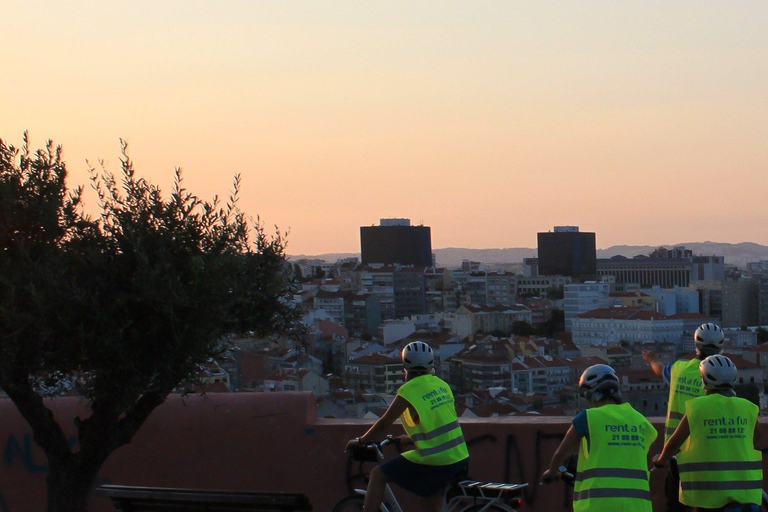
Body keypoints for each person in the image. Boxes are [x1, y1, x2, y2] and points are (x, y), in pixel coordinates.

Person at [345, 341, 469, 512]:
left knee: (377, 475)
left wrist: (360, 440)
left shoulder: (408, 390)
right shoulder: (442, 385)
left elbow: (384, 423)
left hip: (436, 460)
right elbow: (439, 423)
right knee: (428, 505)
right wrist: (411, 438)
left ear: (405, 365)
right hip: (459, 457)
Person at [652, 355, 762, 512]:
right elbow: (755, 436)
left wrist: (661, 460)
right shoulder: (748, 407)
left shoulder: (697, 407)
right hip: (745, 492)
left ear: (704, 381)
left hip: (708, 496)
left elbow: (675, 442)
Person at [542, 364, 658, 512]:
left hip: (598, 505)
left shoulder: (588, 418)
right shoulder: (641, 421)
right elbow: (645, 460)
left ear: (591, 394)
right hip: (638, 505)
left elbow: (560, 454)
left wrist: (552, 472)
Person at [642, 322, 726, 512]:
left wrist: (652, 359)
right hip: (705, 453)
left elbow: (660, 368)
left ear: (696, 346)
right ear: (720, 348)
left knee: (675, 505)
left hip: (676, 453)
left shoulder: (679, 369)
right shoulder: (720, 376)